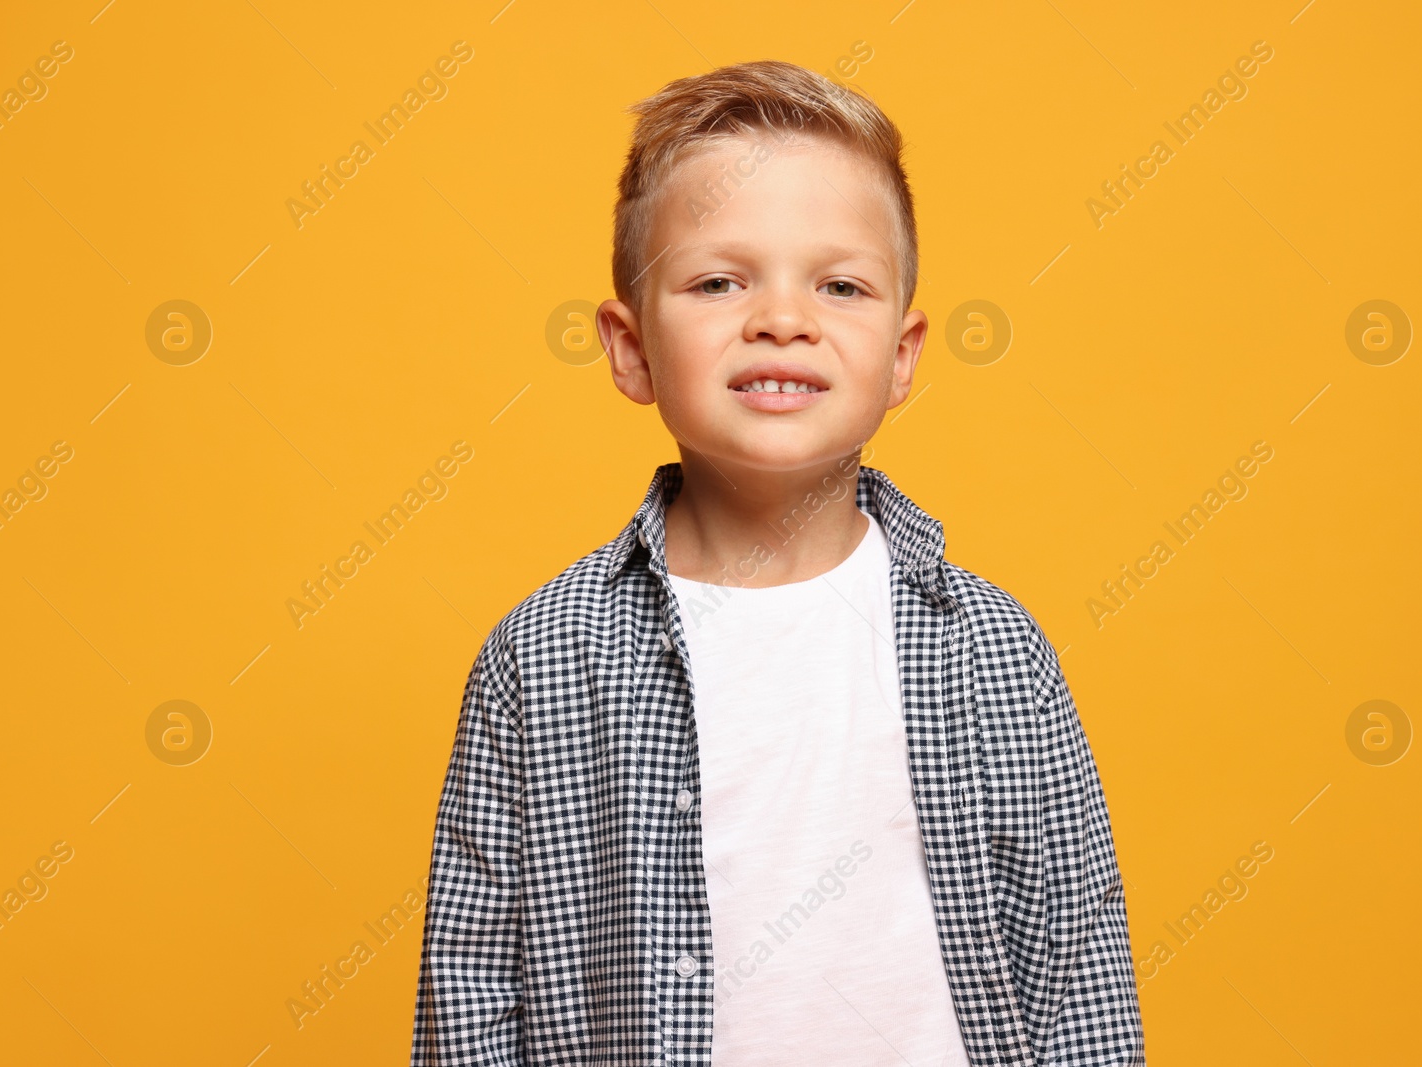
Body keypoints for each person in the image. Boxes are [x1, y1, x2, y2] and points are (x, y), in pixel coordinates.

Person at [411, 59, 1144, 1066]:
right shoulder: (542, 658)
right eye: (718, 281)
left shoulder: (993, 650)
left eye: (839, 285)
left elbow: (1077, 972)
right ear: (630, 348)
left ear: (900, 354)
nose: (783, 318)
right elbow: (473, 990)